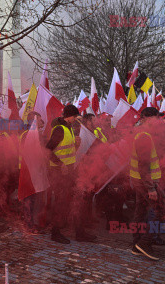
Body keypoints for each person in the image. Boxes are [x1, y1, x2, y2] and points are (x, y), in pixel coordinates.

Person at [46, 104, 95, 244]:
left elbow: (66, 150)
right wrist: (61, 165)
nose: (76, 120)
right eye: (76, 117)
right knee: (61, 202)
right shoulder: (60, 129)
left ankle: (79, 232)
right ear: (71, 116)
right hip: (58, 172)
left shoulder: (69, 129)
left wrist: (76, 146)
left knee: (76, 199)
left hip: (69, 171)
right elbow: (48, 150)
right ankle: (55, 233)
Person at [130, 107, 165, 261]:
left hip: (140, 180)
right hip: (145, 182)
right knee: (163, 212)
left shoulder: (142, 134)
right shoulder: (144, 136)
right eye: (156, 118)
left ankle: (137, 244)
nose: (158, 121)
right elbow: (144, 165)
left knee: (140, 211)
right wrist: (151, 188)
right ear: (147, 118)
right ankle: (144, 243)